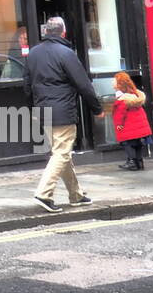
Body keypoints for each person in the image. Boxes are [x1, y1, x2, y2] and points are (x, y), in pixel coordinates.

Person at [25, 16, 104, 213]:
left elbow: (26, 84)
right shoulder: (66, 53)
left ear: (46, 32)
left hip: (43, 110)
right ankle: (44, 193)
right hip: (62, 112)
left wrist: (33, 109)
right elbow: (84, 84)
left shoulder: (33, 53)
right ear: (63, 32)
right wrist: (97, 108)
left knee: (62, 153)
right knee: (61, 153)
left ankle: (75, 195)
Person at [112, 71, 152, 171]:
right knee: (137, 143)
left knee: (127, 143)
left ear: (120, 84)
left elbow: (119, 114)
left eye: (114, 81)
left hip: (128, 126)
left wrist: (118, 125)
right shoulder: (135, 95)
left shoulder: (122, 99)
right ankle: (139, 162)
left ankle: (132, 162)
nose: (112, 83)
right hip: (139, 126)